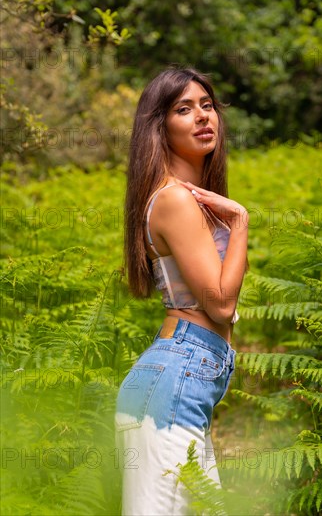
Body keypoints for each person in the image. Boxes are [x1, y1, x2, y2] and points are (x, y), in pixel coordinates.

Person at [115, 67, 249, 515]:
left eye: (207, 105)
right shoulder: (174, 199)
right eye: (183, 109)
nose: (202, 117)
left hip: (181, 381)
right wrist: (241, 222)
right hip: (174, 384)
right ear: (160, 125)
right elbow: (221, 302)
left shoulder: (187, 198)